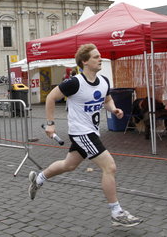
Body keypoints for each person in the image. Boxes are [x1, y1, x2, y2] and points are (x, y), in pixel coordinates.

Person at [28, 43, 142, 227]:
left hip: (92, 131)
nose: (101, 59)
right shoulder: (75, 82)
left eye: (100, 56)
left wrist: (114, 109)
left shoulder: (104, 81)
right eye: (96, 57)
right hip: (81, 133)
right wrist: (50, 124)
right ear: (85, 62)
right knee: (110, 167)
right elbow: (50, 97)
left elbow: (107, 99)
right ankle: (116, 212)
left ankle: (39, 178)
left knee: (68, 165)